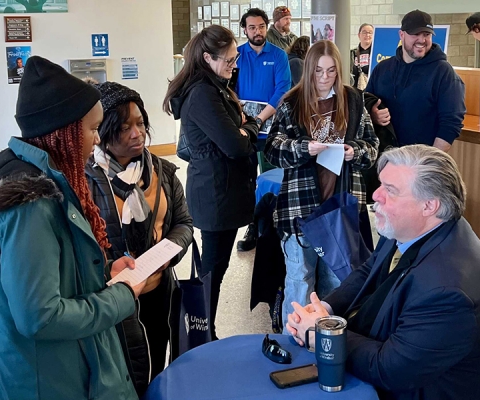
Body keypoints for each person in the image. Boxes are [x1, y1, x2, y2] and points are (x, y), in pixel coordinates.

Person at [0, 56, 145, 399]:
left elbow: (55, 274)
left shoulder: (52, 181)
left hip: (67, 368)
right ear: (65, 133)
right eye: (92, 129)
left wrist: (103, 274)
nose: (97, 139)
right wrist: (121, 296)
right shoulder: (31, 204)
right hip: (52, 381)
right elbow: (40, 316)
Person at [286, 145, 480, 400]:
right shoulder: (412, 227)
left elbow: (388, 369)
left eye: (390, 191)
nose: (376, 195)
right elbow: (369, 270)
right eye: (381, 184)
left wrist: (323, 333)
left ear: (429, 205)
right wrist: (327, 308)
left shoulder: (448, 291)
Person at [85, 81, 193, 396]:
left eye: (141, 123)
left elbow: (184, 223)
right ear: (104, 131)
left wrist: (166, 254)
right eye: (125, 127)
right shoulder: (86, 182)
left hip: (161, 292)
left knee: (158, 365)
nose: (138, 133)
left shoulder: (164, 173)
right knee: (123, 375)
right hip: (112, 304)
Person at [265, 40, 379, 329]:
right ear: (309, 70)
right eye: (318, 71)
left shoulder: (353, 100)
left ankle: (328, 341)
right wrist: (305, 148)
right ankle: (296, 337)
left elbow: (372, 145)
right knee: (300, 277)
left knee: (335, 281)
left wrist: (356, 151)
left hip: (339, 209)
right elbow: (273, 149)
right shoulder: (292, 103)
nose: (325, 77)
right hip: (300, 210)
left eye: (331, 71)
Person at [162, 25, 259, 340]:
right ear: (207, 58)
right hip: (216, 194)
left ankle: (205, 330)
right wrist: (251, 128)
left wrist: (245, 128)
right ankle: (203, 333)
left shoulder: (214, 85)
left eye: (235, 59)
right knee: (211, 272)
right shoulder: (203, 93)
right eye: (228, 61)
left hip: (223, 190)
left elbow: (236, 133)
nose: (234, 66)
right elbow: (235, 144)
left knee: (215, 269)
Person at [365, 10, 466, 152]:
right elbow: (365, 103)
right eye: (416, 34)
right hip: (383, 159)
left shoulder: (444, 73)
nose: (422, 40)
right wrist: (373, 115)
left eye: (427, 34)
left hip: (420, 162)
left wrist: (428, 161)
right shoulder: (382, 69)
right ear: (401, 34)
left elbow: (451, 123)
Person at [234, 7, 291, 252]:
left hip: (271, 129)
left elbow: (282, 89)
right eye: (251, 27)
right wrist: (242, 114)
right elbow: (229, 87)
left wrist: (260, 118)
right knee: (247, 181)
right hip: (244, 128)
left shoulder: (279, 56)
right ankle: (252, 226)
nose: (257, 31)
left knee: (271, 179)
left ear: (267, 27)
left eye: (260, 26)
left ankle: (274, 224)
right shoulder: (236, 55)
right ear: (244, 29)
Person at [350, 23, 374, 90]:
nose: (367, 35)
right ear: (359, 35)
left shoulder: (377, 54)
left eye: (370, 33)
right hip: (355, 90)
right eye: (364, 32)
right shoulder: (351, 53)